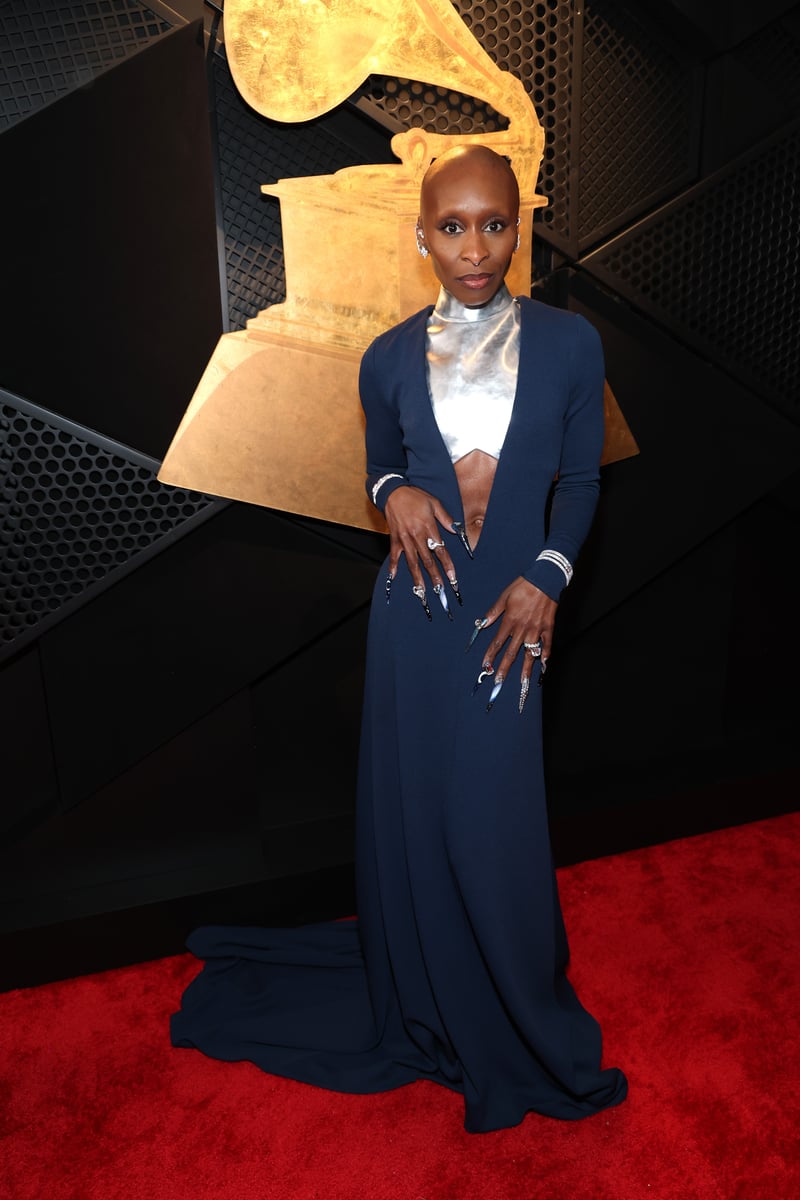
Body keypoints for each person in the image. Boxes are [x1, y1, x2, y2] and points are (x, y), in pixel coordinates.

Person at [171, 144, 627, 1133]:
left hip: (514, 615)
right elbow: (380, 471)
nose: (475, 245)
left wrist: (546, 576)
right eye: (453, 226)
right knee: (422, 818)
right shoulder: (383, 357)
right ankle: (423, 994)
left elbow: (582, 483)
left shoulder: (567, 345)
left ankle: (511, 1013)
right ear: (418, 236)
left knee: (489, 826)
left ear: (519, 226)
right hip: (413, 616)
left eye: (494, 223)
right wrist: (395, 490)